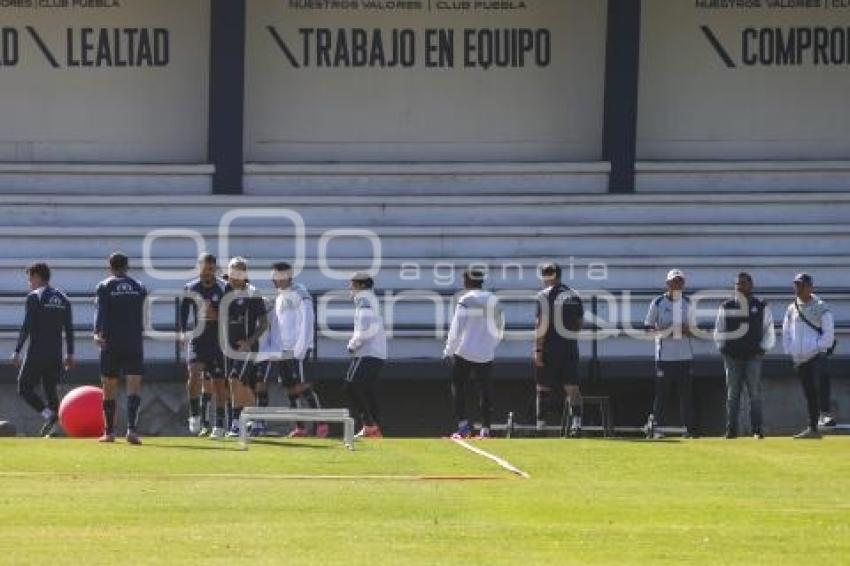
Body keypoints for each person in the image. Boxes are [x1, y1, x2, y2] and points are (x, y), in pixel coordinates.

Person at [255, 262, 323, 438]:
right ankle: (300, 427)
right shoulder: (280, 297)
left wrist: (300, 349)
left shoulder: (300, 294)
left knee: (303, 386)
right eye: (272, 277)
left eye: (276, 277)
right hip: (283, 350)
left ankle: (321, 424)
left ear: (287, 277)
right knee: (290, 389)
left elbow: (307, 321)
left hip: (296, 349)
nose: (273, 280)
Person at [11, 262, 74, 437]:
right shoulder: (63, 298)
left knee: (24, 388)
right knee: (50, 391)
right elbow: (68, 328)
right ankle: (53, 430)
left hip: (36, 352)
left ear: (38, 277)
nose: (29, 282)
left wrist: (17, 351)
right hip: (55, 354)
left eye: (30, 278)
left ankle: (49, 416)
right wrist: (70, 353)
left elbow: (27, 326)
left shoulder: (35, 296)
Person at [443, 267, 503, 439]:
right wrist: (490, 346)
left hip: (464, 352)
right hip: (486, 354)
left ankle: (463, 427)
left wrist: (448, 350)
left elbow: (456, 328)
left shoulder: (466, 299)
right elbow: (500, 327)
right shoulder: (493, 299)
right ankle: (486, 429)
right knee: (485, 390)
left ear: (467, 281)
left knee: (458, 387)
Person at [94, 252, 147, 444]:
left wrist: (97, 333)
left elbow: (100, 311)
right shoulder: (139, 286)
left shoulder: (104, 286)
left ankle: (109, 432)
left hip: (111, 342)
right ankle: (132, 430)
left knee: (109, 387)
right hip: (133, 341)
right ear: (127, 266)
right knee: (134, 386)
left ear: (110, 266)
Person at [714, 272, 775, 439]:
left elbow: (768, 329)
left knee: (754, 393)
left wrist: (763, 349)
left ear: (751, 286)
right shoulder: (726, 306)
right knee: (733, 395)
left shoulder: (761, 306)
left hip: (753, 356)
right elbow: (719, 330)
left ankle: (757, 429)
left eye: (743, 283)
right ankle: (731, 430)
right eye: (737, 284)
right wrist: (722, 349)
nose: (739, 287)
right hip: (732, 357)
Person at [533, 263, 585, 437]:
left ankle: (541, 426)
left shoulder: (544, 296)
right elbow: (579, 324)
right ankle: (576, 425)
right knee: (572, 387)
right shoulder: (574, 295)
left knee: (543, 387)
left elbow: (541, 324)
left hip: (550, 346)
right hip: (569, 346)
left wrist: (538, 350)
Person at [179, 253, 228, 437]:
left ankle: (220, 423)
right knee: (194, 374)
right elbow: (184, 311)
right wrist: (183, 332)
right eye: (204, 268)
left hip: (217, 339)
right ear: (198, 267)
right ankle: (194, 415)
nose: (207, 272)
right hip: (198, 338)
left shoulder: (223, 288)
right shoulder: (191, 287)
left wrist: (216, 315)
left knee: (218, 382)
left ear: (215, 269)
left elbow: (229, 314)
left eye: (211, 269)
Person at [644, 269, 696, 439]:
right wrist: (668, 331)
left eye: (680, 281)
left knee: (686, 394)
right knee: (662, 394)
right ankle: (656, 427)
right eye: (674, 281)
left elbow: (695, 329)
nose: (678, 284)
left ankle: (688, 428)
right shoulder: (658, 303)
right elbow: (648, 328)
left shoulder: (688, 303)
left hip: (685, 356)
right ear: (668, 284)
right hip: (665, 357)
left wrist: (686, 330)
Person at [782, 273, 835, 439]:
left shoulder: (820, 306)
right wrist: (790, 349)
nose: (797, 288)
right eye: (796, 285)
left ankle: (825, 416)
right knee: (809, 393)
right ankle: (813, 428)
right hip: (800, 358)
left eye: (801, 285)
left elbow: (829, 332)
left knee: (819, 385)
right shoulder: (791, 308)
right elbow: (786, 331)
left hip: (816, 355)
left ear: (810, 287)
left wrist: (817, 347)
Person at [221, 257, 267, 439]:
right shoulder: (224, 290)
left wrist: (249, 341)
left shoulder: (253, 293)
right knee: (241, 385)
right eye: (232, 271)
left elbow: (263, 323)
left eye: (238, 271)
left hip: (246, 348)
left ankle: (236, 423)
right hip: (228, 347)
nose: (234, 275)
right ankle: (256, 421)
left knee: (234, 380)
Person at [345, 272, 387, 439]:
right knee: (367, 390)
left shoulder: (364, 299)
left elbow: (365, 326)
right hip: (376, 352)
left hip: (367, 352)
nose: (350, 287)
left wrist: (353, 344)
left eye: (352, 284)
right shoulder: (369, 299)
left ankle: (369, 425)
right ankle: (374, 427)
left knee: (351, 386)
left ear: (361, 286)